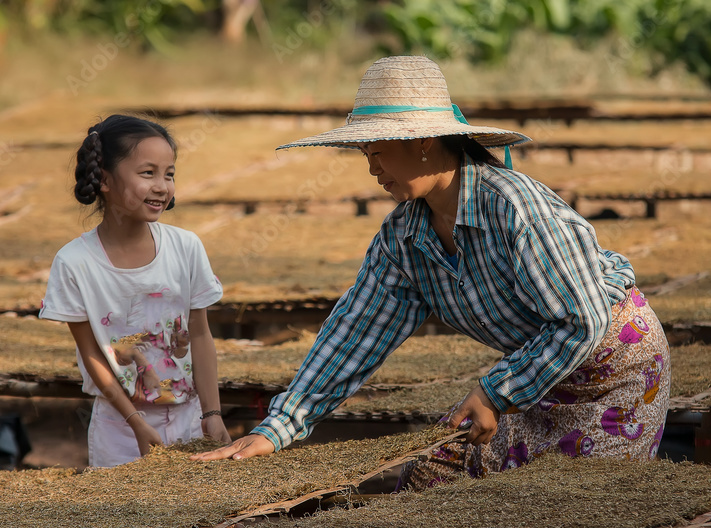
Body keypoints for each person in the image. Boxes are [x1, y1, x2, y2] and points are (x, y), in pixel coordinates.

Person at [191, 56, 670, 487]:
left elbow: (582, 320)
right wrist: (278, 428)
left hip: (614, 371)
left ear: (421, 142)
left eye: (377, 153)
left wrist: (496, 392)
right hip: (535, 377)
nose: (373, 170)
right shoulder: (404, 237)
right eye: (366, 156)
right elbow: (355, 333)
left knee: (576, 504)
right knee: (429, 474)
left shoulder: (516, 209)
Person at [41, 114, 230, 468]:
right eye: (148, 173)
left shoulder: (186, 248)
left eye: (169, 174)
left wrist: (213, 411)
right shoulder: (75, 263)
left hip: (191, 419)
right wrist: (135, 423)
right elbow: (93, 355)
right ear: (105, 179)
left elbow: (200, 335)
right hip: (121, 428)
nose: (162, 186)